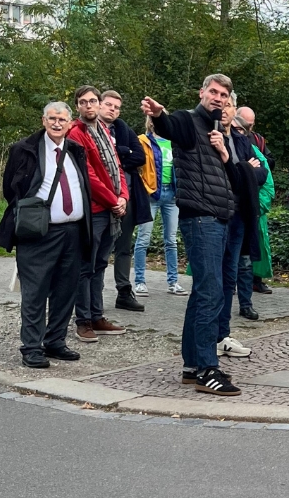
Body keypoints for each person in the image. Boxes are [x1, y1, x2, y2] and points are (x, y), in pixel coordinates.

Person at [141, 74, 244, 395]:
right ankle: (206, 369)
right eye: (213, 91)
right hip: (201, 219)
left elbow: (231, 177)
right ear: (202, 93)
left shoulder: (219, 132)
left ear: (228, 101)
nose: (218, 97)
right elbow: (170, 127)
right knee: (210, 292)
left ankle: (190, 366)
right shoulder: (188, 120)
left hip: (220, 218)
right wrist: (159, 115)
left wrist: (224, 152)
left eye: (223, 94)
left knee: (205, 291)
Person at [0, 103, 91, 368]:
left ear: (71, 123)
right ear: (44, 120)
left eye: (62, 119)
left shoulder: (75, 150)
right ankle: (32, 347)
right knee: (35, 291)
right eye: (52, 119)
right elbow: (10, 189)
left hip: (73, 231)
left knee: (65, 290)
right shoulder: (24, 149)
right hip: (38, 232)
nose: (57, 123)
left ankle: (55, 341)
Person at [67, 86, 128, 342]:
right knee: (86, 266)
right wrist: (113, 199)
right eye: (84, 102)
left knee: (101, 264)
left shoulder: (103, 130)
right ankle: (83, 321)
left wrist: (124, 196)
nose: (89, 106)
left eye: (93, 101)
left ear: (99, 103)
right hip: (93, 209)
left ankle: (96, 315)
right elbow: (88, 175)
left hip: (112, 208)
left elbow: (117, 166)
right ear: (78, 106)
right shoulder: (75, 133)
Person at [215, 95, 263, 357]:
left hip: (240, 216)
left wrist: (241, 168)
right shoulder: (209, 136)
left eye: (229, 105)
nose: (224, 109)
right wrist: (245, 169)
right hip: (217, 213)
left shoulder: (242, 140)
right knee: (215, 278)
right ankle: (213, 334)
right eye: (220, 104)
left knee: (230, 275)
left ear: (235, 111)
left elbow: (263, 171)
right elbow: (222, 173)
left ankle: (223, 333)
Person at [100, 91, 148, 314]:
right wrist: (122, 152)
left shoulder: (122, 128)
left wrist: (118, 153)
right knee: (99, 249)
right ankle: (94, 295)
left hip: (126, 197)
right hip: (99, 199)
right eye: (108, 105)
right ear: (99, 105)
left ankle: (124, 292)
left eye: (117, 107)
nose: (112, 110)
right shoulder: (90, 129)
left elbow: (140, 157)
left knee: (124, 247)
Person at [134, 116, 186, 296]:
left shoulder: (174, 142)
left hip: (172, 194)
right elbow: (138, 167)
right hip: (151, 194)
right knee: (143, 239)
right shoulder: (143, 140)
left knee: (171, 240)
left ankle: (173, 282)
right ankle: (139, 281)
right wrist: (143, 187)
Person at [236, 107, 275, 295]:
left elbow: (265, 170)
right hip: (233, 206)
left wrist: (258, 204)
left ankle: (255, 283)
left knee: (254, 247)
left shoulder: (257, 141)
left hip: (254, 203)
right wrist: (246, 168)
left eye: (248, 126)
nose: (245, 128)